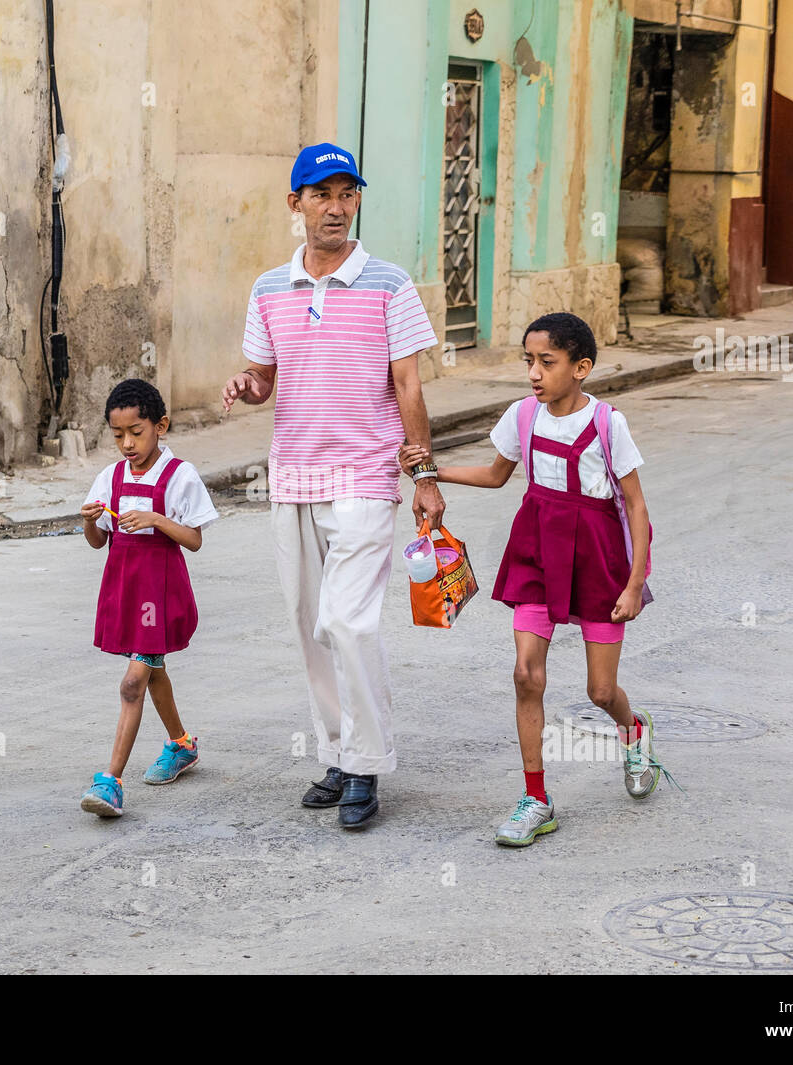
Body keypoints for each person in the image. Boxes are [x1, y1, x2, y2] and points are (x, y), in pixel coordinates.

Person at [221, 142, 444, 830]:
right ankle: (341, 754)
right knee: (308, 625)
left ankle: (369, 765)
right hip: (292, 477)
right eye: (322, 194)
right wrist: (247, 385)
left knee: (348, 621)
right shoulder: (268, 288)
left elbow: (407, 383)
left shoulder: (388, 284)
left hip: (365, 477)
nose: (337, 207)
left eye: (347, 193)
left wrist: (424, 472)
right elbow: (264, 377)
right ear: (297, 205)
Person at [399, 312, 674, 848]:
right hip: (536, 552)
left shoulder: (607, 424)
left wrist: (635, 581)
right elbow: (497, 475)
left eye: (546, 362)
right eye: (529, 361)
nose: (534, 373)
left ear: (582, 367)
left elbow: (636, 506)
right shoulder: (523, 416)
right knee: (527, 675)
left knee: (599, 690)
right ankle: (535, 799)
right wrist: (429, 470)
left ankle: (633, 730)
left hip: (598, 556)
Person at [78, 379, 219, 818]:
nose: (126, 443)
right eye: (118, 435)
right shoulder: (110, 477)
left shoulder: (181, 476)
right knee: (154, 671)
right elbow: (97, 543)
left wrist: (156, 518)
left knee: (132, 681)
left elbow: (193, 540)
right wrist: (90, 521)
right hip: (125, 588)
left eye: (136, 432)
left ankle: (110, 782)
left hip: (158, 593)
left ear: (161, 426)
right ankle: (181, 744)